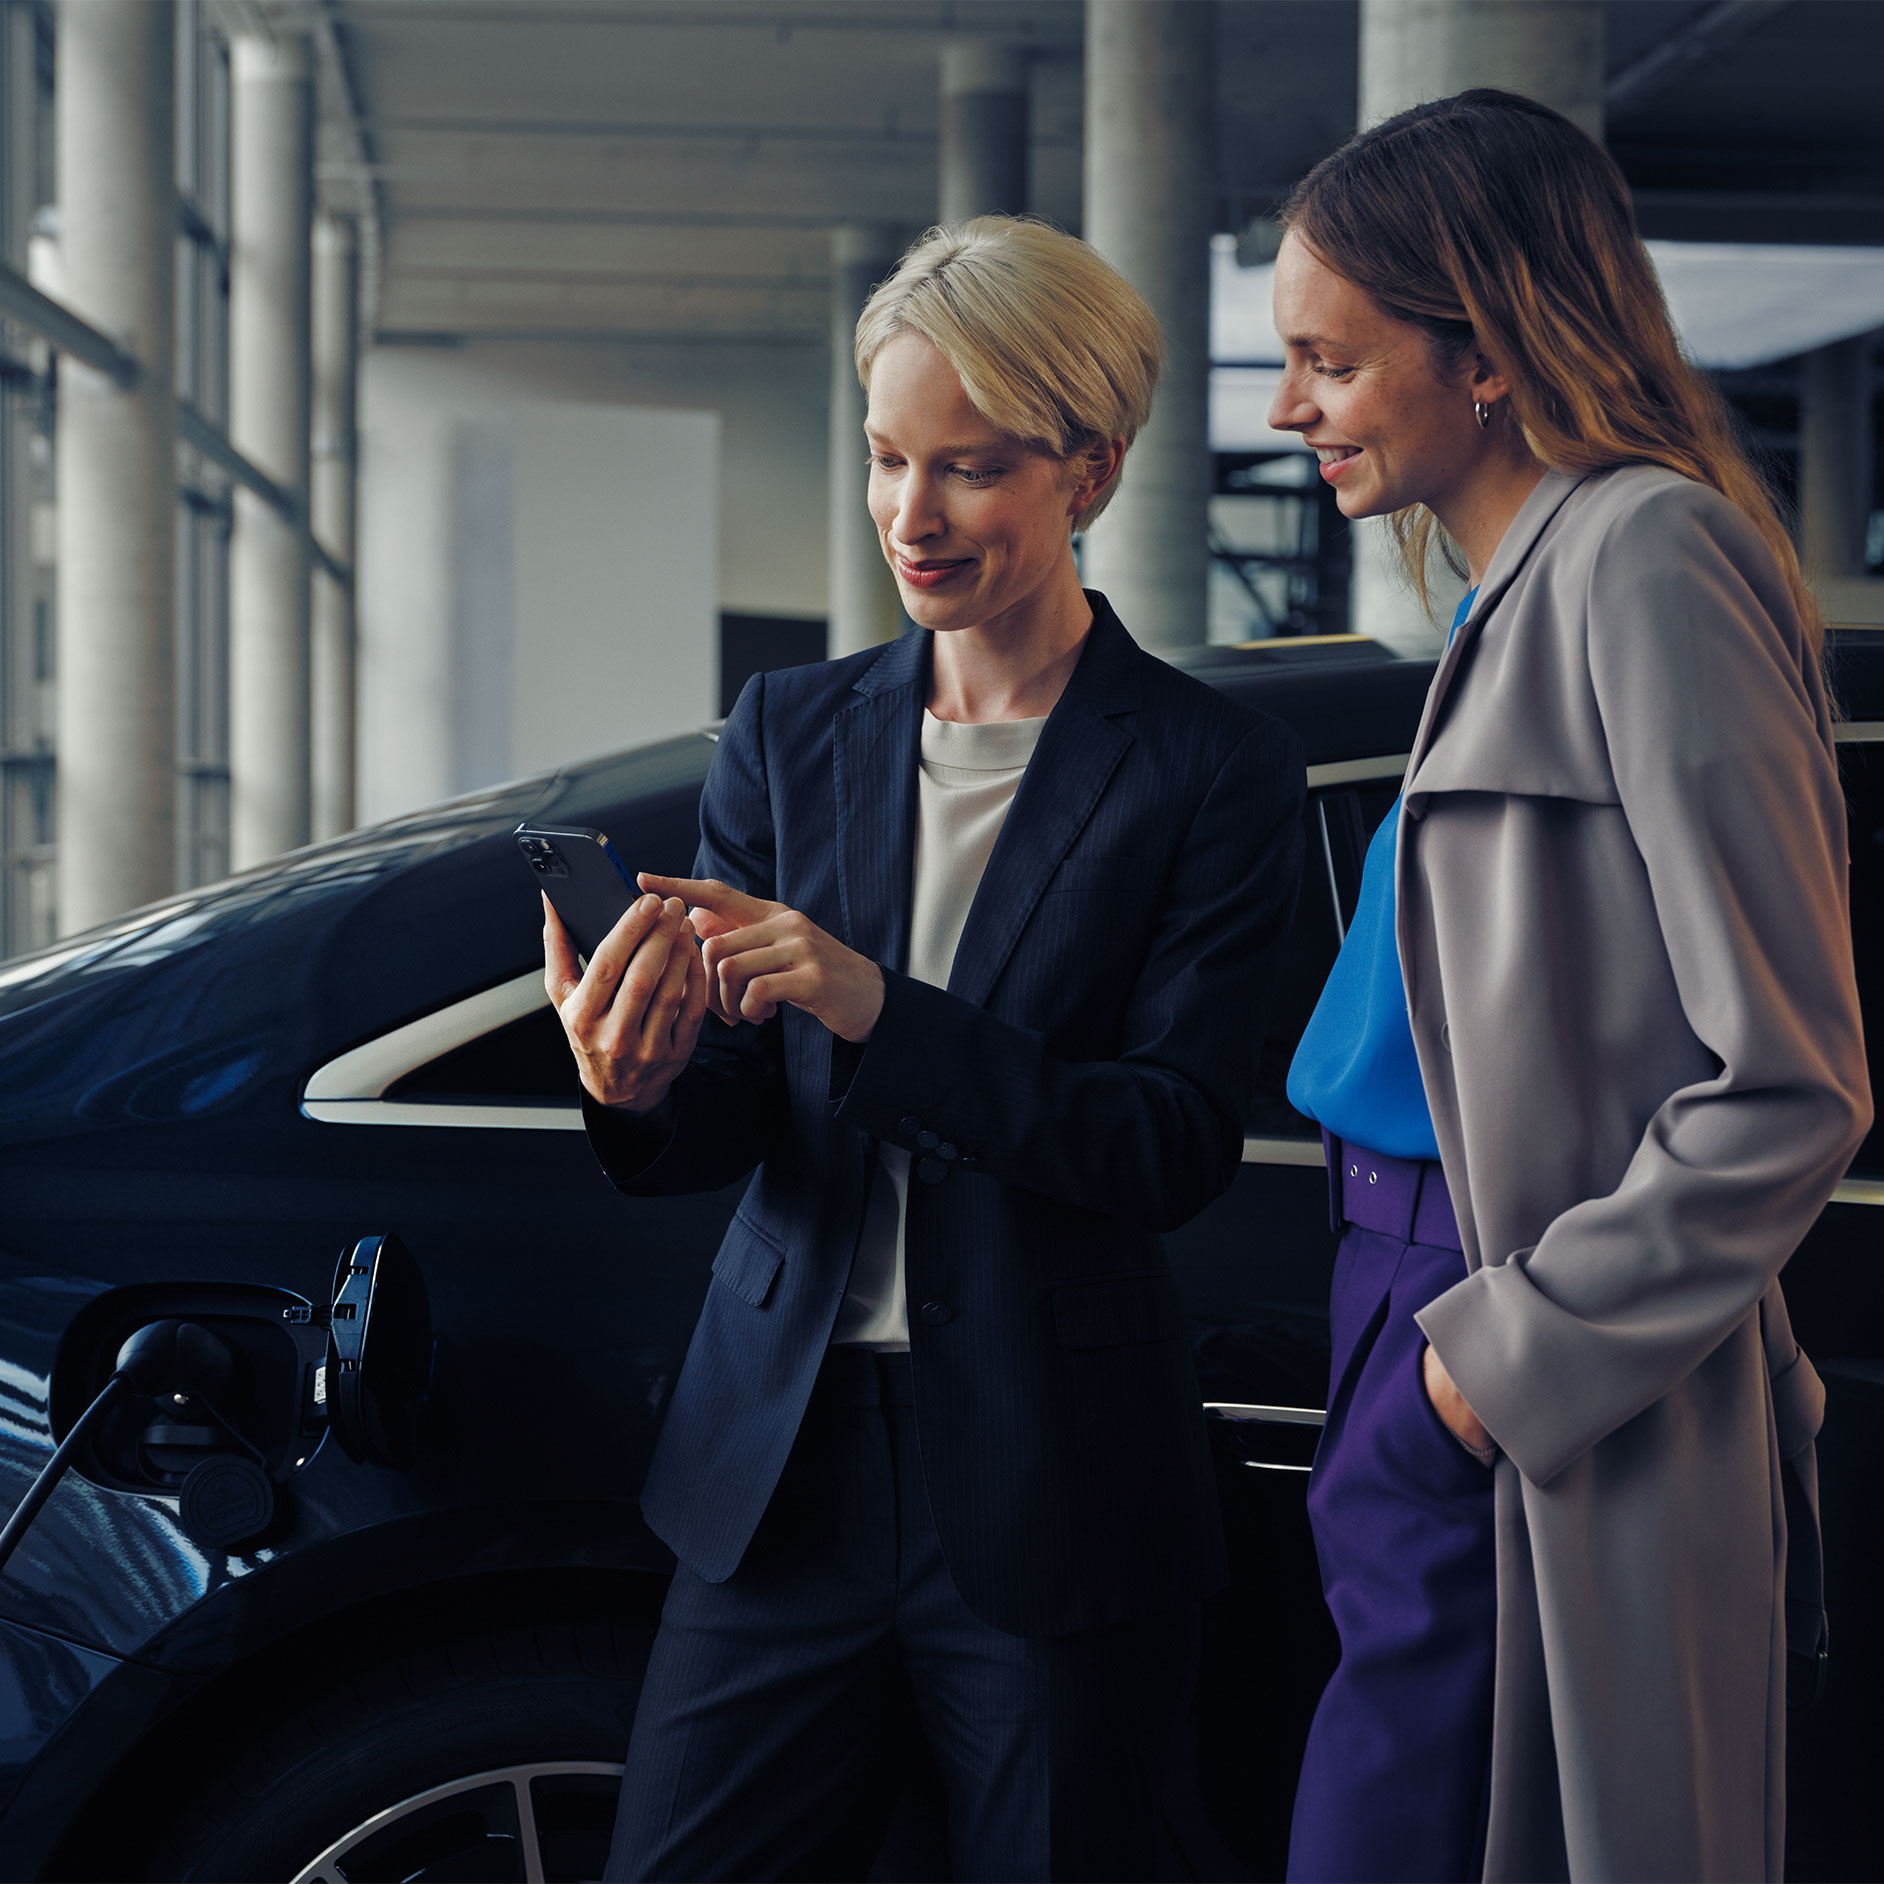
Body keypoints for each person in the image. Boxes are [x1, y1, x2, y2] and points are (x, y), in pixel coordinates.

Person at [542, 215, 1305, 1882]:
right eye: (888, 457)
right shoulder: (787, 730)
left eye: (967, 470)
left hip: (1052, 1485)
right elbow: (743, 1102)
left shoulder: (1208, 773)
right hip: (781, 1477)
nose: (909, 514)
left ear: (1090, 472)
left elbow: (1171, 1143)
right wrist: (642, 1084)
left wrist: (877, 1006)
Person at [1268, 91, 1871, 1884]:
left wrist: (1496, 1361)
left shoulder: (1648, 559)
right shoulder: (1514, 584)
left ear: (1491, 352)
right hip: (1410, 1289)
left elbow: (1792, 1082)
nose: (1290, 404)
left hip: (1503, 1312)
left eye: (1330, 359)